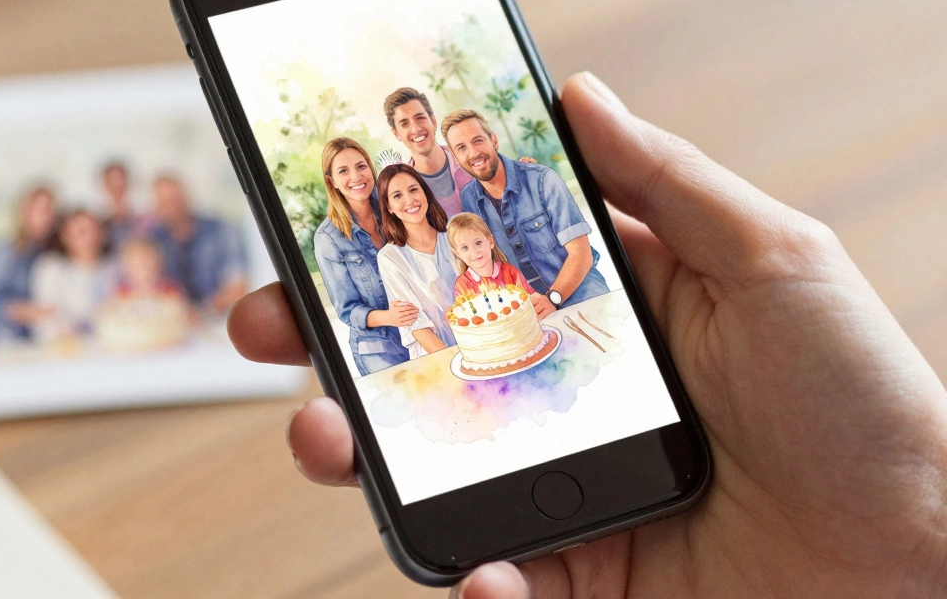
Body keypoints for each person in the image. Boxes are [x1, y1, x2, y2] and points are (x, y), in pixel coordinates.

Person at [226, 73, 947, 598]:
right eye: (378, 170)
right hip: (456, 351)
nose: (449, 153)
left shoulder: (482, 202)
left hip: (564, 313)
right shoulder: (380, 237)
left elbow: (508, 264)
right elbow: (410, 300)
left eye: (466, 138)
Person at [445, 109, 609, 309]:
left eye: (478, 140)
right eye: (461, 147)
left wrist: (552, 299)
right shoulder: (469, 199)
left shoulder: (543, 179)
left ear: (494, 140)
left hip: (584, 298)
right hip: (527, 312)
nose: (472, 152)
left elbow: (581, 254)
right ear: (455, 156)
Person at [313, 138, 415, 376]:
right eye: (343, 171)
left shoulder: (392, 207)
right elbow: (347, 310)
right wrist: (390, 317)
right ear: (332, 181)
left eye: (361, 166)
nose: (356, 177)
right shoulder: (328, 239)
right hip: (379, 350)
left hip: (419, 330)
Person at [374, 163, 459, 357]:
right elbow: (416, 322)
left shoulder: (455, 235)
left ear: (425, 192)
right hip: (437, 358)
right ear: (389, 207)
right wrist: (453, 361)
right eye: (397, 196)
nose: (410, 200)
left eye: (414, 189)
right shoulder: (390, 258)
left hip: (481, 343)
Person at [148, 174, 248, 313]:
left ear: (187, 197)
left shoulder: (220, 230)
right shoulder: (155, 239)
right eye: (163, 202)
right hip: (174, 322)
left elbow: (238, 286)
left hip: (221, 319)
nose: (171, 207)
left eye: (174, 199)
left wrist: (203, 312)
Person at [383, 87, 475, 215]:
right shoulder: (405, 189)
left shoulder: (470, 159)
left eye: (420, 118)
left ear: (433, 121)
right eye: (404, 124)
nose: (415, 128)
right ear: (396, 134)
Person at [446, 213, 554, 319]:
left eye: (478, 243)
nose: (474, 252)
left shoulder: (509, 272)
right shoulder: (462, 285)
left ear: (490, 242)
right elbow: (465, 318)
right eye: (465, 248)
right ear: (457, 253)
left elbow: (530, 300)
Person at [30, 209, 113, 345]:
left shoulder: (114, 268)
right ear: (65, 236)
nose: (89, 237)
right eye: (81, 232)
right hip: (63, 350)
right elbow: (47, 316)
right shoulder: (51, 268)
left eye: (94, 230)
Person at [0, 185, 56, 342]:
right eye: (42, 210)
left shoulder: (52, 250)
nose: (47, 217)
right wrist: (27, 312)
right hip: (13, 339)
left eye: (51, 211)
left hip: (46, 340)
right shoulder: (7, 252)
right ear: (25, 212)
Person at [99, 161, 145, 253]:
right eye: (112, 182)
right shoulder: (100, 223)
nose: (117, 186)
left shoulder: (142, 221)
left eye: (120, 181)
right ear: (105, 186)